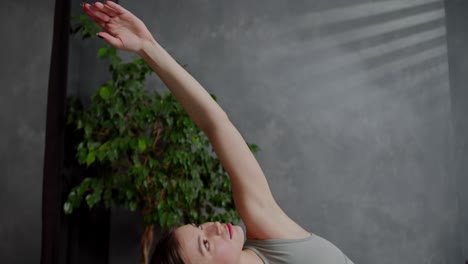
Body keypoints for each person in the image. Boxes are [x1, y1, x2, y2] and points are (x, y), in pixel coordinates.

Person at [81, 1, 355, 263]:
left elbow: (216, 124)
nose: (213, 226)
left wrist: (147, 47)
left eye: (199, 226)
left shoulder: (266, 225)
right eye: (206, 244)